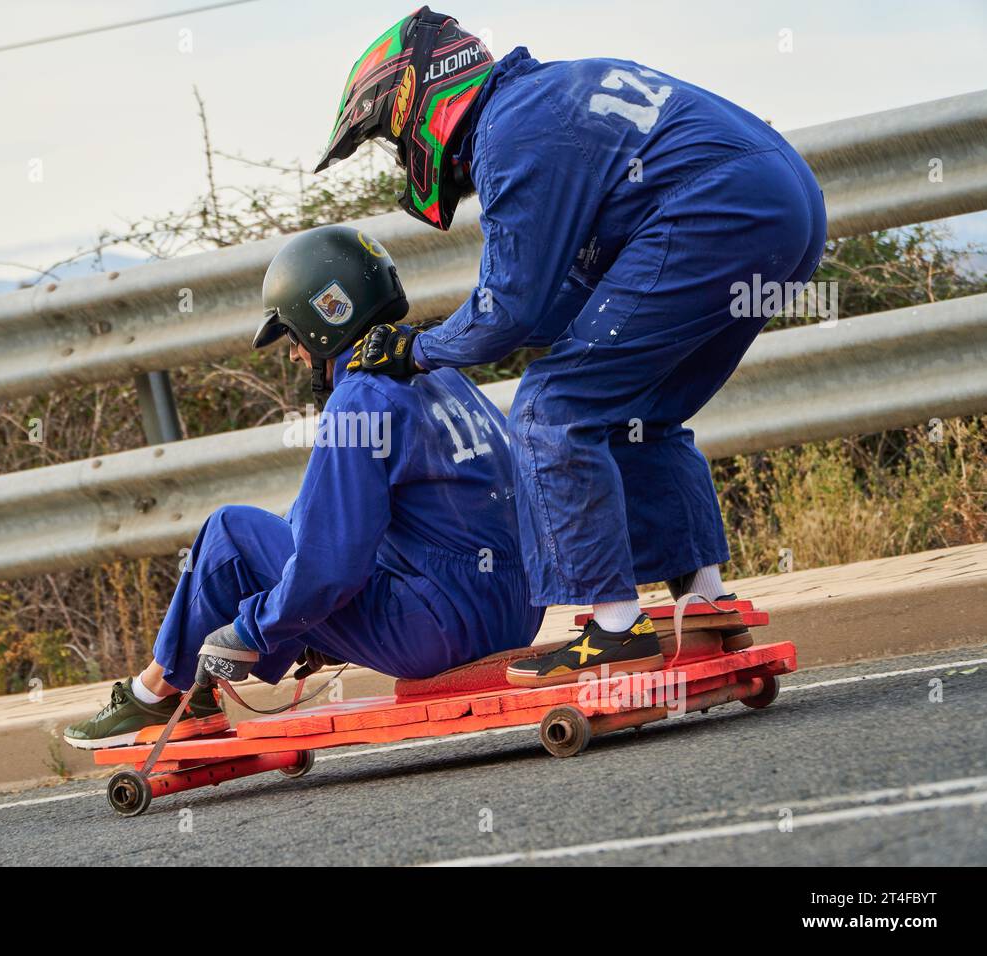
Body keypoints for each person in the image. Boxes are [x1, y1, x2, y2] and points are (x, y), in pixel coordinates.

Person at [320, 7, 827, 687]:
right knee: (640, 408)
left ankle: (616, 630)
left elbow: (506, 313)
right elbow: (560, 308)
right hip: (782, 204)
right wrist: (438, 341)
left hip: (718, 210)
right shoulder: (544, 100)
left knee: (551, 409)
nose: (397, 154)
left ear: (418, 103)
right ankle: (704, 601)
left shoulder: (510, 136)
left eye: (389, 137)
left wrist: (415, 350)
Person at [64, 225, 542, 749]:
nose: (293, 354)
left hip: (443, 630)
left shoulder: (359, 399)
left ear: (324, 317)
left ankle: (159, 693)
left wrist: (253, 630)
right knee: (290, 543)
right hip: (517, 611)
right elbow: (363, 526)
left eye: (292, 336)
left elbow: (329, 565)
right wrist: (298, 623)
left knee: (229, 536)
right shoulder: (439, 371)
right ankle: (179, 687)